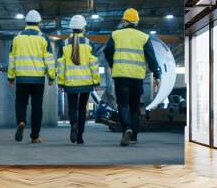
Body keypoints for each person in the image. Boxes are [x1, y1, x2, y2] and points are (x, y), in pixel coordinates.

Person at [103, 8, 161, 146]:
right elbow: (151, 58)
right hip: (137, 76)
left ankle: (126, 129)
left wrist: (113, 63)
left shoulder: (116, 34)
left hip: (120, 75)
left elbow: (107, 51)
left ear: (124, 21)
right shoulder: (144, 37)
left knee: (122, 104)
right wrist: (157, 75)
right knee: (135, 107)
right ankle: (134, 135)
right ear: (136, 22)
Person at [8, 9, 56, 143]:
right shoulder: (43, 38)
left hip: (22, 77)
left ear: (26, 22)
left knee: (21, 102)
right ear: (39, 22)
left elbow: (12, 58)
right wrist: (51, 77)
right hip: (38, 79)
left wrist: (11, 77)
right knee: (37, 107)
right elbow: (49, 60)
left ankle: (21, 122)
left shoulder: (17, 38)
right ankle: (35, 136)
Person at [57, 15, 100, 144]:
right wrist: (96, 81)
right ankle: (80, 136)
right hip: (86, 83)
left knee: (72, 108)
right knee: (82, 109)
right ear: (84, 28)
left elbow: (60, 65)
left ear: (71, 28)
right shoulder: (89, 43)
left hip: (70, 82)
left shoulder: (64, 44)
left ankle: (73, 124)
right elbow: (94, 64)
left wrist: (61, 81)